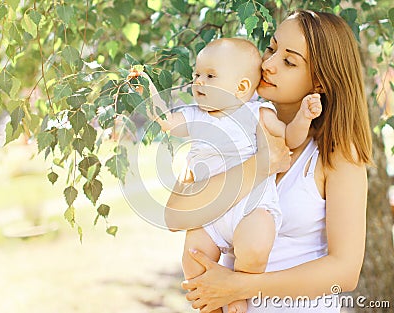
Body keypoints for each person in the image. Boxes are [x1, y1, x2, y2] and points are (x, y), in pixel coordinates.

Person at [164, 9, 373, 313]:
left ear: (320, 83)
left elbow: (345, 272)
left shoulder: (338, 154)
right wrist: (261, 164)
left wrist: (239, 287)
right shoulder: (226, 133)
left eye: (289, 61)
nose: (269, 65)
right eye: (272, 48)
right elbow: (175, 218)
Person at [145, 37, 322, 313]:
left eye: (210, 76)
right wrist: (147, 90)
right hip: (210, 212)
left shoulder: (257, 112)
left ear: (240, 88)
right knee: (193, 260)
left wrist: (304, 118)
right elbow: (166, 122)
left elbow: (289, 138)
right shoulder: (195, 115)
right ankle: (212, 307)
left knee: (255, 246)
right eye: (196, 75)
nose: (198, 82)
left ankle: (239, 293)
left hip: (250, 207)